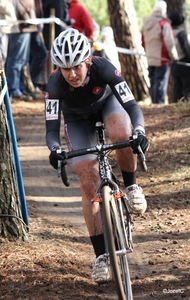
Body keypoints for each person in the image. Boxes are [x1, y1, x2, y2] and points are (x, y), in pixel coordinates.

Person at [45, 28, 149, 283]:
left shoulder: (105, 68)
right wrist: (55, 149)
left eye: (76, 67)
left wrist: (139, 131)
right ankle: (102, 256)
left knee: (121, 132)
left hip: (107, 106)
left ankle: (132, 186)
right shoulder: (55, 85)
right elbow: (51, 129)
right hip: (77, 121)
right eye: (64, 68)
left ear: (88, 61)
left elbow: (132, 105)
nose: (71, 74)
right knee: (87, 181)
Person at [142, 0, 178, 104]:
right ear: (163, 11)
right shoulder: (164, 23)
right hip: (162, 59)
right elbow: (169, 43)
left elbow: (143, 41)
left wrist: (147, 52)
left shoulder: (146, 24)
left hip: (150, 58)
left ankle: (154, 103)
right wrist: (174, 56)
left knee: (153, 82)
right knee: (160, 83)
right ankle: (159, 105)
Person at [5, 0, 39, 101]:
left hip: (27, 27)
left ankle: (20, 88)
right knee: (16, 60)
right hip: (20, 27)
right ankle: (14, 90)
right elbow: (17, 4)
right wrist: (26, 18)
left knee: (23, 61)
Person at [169, 12, 190, 103]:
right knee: (187, 85)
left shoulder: (169, 32)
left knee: (176, 86)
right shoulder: (181, 33)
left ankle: (175, 103)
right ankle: (186, 102)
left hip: (173, 63)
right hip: (184, 62)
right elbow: (186, 48)